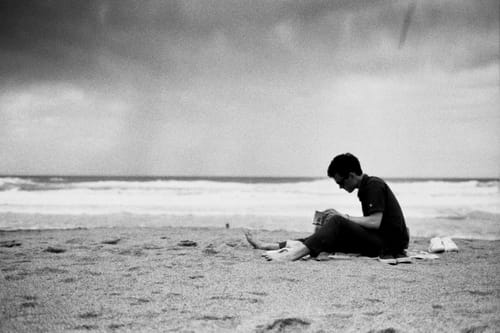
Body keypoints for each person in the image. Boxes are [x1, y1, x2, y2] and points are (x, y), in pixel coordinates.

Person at [246, 153, 410, 265]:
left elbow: (375, 222)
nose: (340, 187)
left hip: (389, 245)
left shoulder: (374, 185)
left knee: (338, 221)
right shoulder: (366, 188)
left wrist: (343, 217)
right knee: (328, 236)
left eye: (341, 182)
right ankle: (270, 246)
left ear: (352, 175)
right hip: (381, 240)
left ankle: (293, 255)